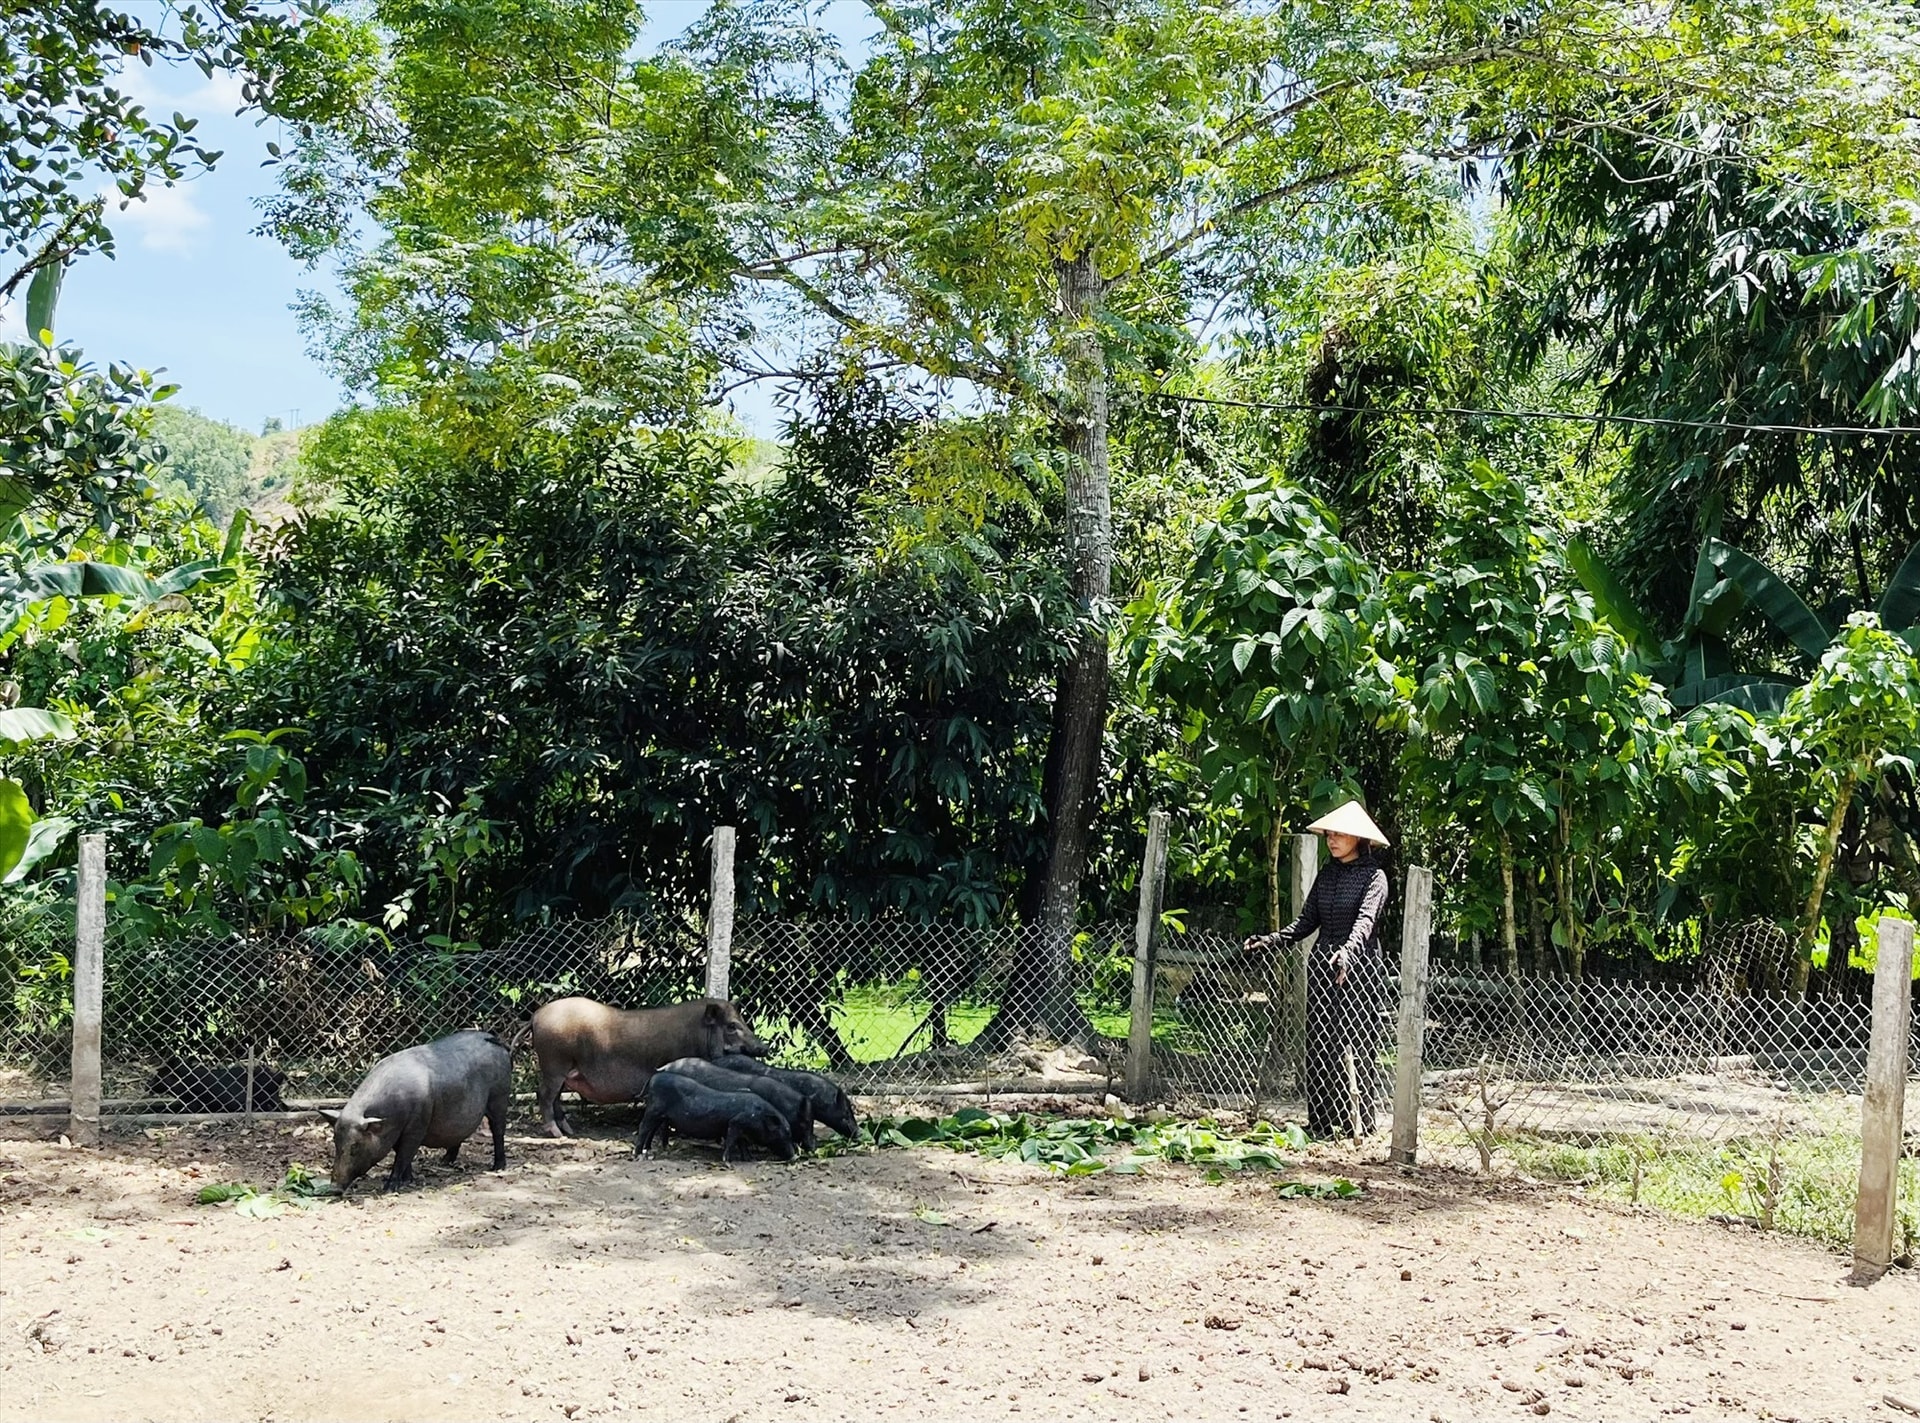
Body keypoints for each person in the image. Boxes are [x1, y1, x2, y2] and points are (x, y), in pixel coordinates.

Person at [1242, 801, 1391, 1138]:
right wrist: (1270, 941)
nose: (1332, 839)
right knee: (1320, 1043)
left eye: (1339, 833)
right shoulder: (1327, 874)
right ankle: (1321, 1124)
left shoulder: (1375, 877)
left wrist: (1348, 954)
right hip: (1323, 965)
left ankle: (1358, 1123)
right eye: (1329, 834)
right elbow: (1306, 922)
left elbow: (1365, 923)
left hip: (1359, 968)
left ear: (1358, 837)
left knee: (1353, 1042)